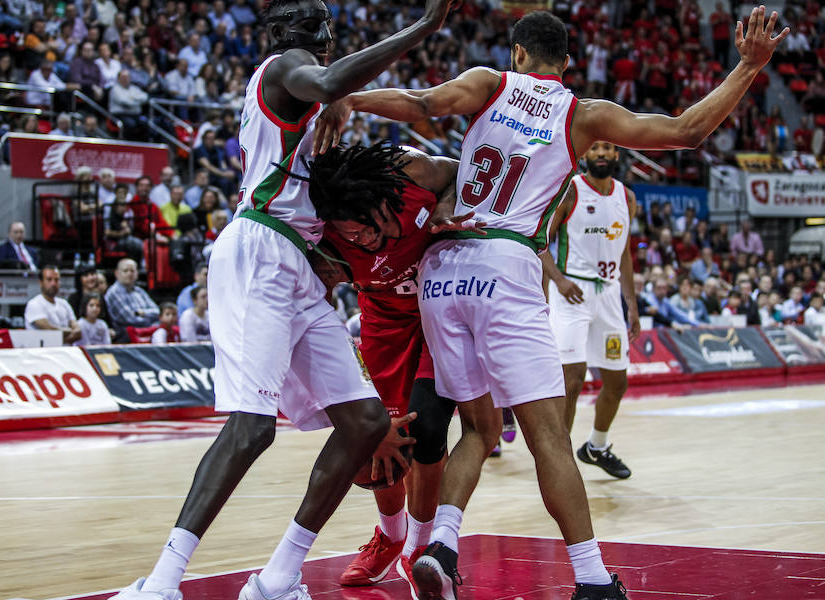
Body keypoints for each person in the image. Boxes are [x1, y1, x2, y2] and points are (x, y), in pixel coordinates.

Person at [314, 7, 787, 599]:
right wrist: (747, 66)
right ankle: (591, 579)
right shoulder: (584, 115)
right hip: (506, 265)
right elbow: (687, 130)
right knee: (549, 441)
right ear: (566, 64)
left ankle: (439, 546)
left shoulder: (490, 83)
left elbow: (424, 104)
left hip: (441, 273)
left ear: (517, 54)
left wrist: (351, 98)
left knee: (480, 432)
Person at [110, 0, 455, 596]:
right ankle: (161, 583)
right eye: (308, 24)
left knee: (365, 420)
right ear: (278, 33)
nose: (321, 35)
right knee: (251, 427)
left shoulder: (315, 100)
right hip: (261, 248)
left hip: (296, 260)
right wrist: (423, 28)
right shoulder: (283, 67)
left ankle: (277, 577)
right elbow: (326, 78)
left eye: (325, 23)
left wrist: (344, 102)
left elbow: (335, 97)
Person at [286, 142, 478, 593]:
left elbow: (457, 171)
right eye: (351, 236)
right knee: (379, 443)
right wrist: (357, 394)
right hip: (384, 325)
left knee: (426, 433)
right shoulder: (326, 242)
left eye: (369, 229)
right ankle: (390, 537)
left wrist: (447, 209)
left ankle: (420, 548)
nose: (364, 240)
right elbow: (317, 322)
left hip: (439, 311)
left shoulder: (413, 174)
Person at [541, 141, 639, 480]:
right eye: (594, 147)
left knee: (617, 381)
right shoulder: (570, 190)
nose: (600, 153)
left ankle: (596, 446)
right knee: (572, 378)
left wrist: (632, 305)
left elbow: (624, 254)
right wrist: (558, 282)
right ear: (584, 156)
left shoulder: (627, 198)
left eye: (607, 148)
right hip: (571, 292)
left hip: (610, 296)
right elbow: (540, 241)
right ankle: (558, 457)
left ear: (616, 155)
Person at [24, 266, 82, 345]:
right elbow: (49, 330)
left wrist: (57, 340)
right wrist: (70, 331)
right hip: (42, 354)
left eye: (57, 280)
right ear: (41, 282)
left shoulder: (64, 303)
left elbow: (78, 332)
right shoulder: (34, 304)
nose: (53, 283)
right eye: (49, 279)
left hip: (66, 354)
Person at [105, 258, 160, 340]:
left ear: (137, 273)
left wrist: (142, 313)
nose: (129, 274)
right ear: (117, 273)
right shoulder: (113, 293)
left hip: (147, 332)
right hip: (126, 337)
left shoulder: (139, 291)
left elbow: (158, 311)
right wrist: (151, 321)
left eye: (132, 271)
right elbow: (130, 319)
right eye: (125, 271)